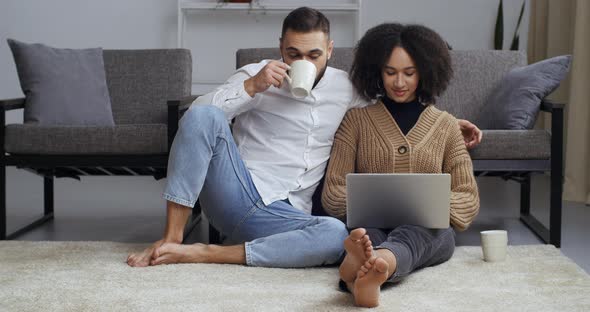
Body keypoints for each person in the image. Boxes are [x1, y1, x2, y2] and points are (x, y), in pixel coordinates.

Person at [127, 8, 481, 269]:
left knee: (333, 235)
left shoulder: (347, 88)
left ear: (329, 49)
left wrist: (450, 122)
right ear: (280, 47)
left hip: (286, 215)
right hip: (236, 192)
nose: (303, 62)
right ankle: (173, 236)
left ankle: (206, 253)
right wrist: (252, 87)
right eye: (293, 54)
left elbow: (394, 103)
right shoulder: (255, 74)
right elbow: (197, 121)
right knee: (204, 113)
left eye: (313, 54)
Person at [321, 23, 480, 307]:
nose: (399, 83)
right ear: (377, 72)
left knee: (427, 233)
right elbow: (332, 192)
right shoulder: (355, 121)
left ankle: (363, 269)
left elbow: (468, 197)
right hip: (370, 224)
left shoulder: (445, 126)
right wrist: (367, 203)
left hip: (428, 229)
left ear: (425, 72)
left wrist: (429, 206)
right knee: (364, 235)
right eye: (390, 72)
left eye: (409, 73)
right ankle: (372, 268)